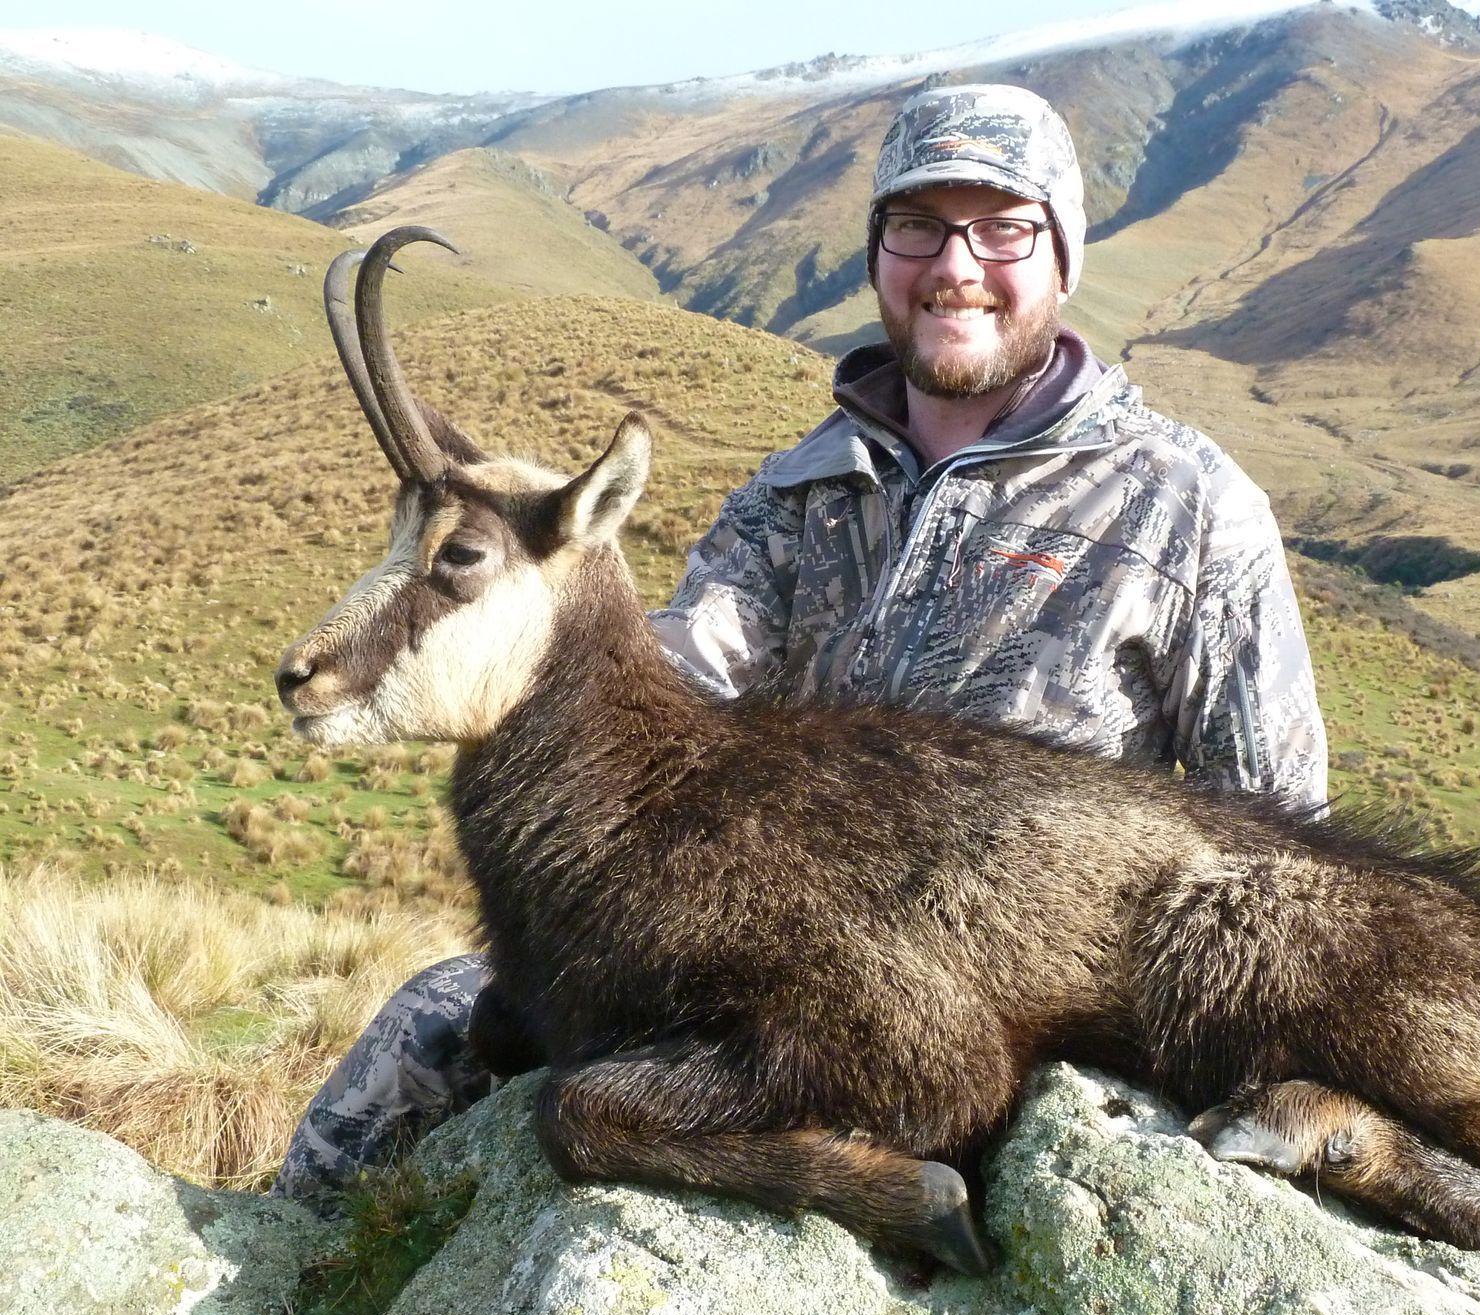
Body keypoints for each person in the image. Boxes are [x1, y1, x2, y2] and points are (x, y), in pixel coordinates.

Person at [272, 83, 1328, 1205]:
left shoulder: (1189, 503)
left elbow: (1278, 831)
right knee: (441, 1020)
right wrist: (520, 625)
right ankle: (292, 1295)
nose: (955, 267)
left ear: (1061, 256)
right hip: (785, 961)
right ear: (879, 256)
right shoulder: (796, 491)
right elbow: (670, 680)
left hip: (1031, 980)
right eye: (918, 228)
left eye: (1003, 229)